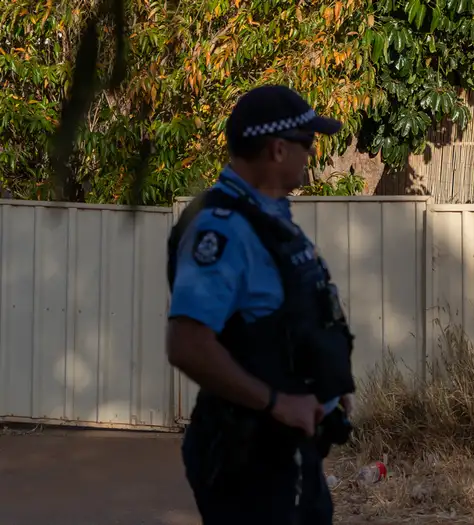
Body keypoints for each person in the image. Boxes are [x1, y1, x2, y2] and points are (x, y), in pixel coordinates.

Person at [166, 85, 357, 525]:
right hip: (253, 456)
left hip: (288, 447)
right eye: (306, 144)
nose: (310, 155)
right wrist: (276, 402)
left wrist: (329, 385)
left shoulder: (268, 218)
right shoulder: (223, 229)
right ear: (277, 150)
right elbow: (187, 343)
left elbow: (292, 315)